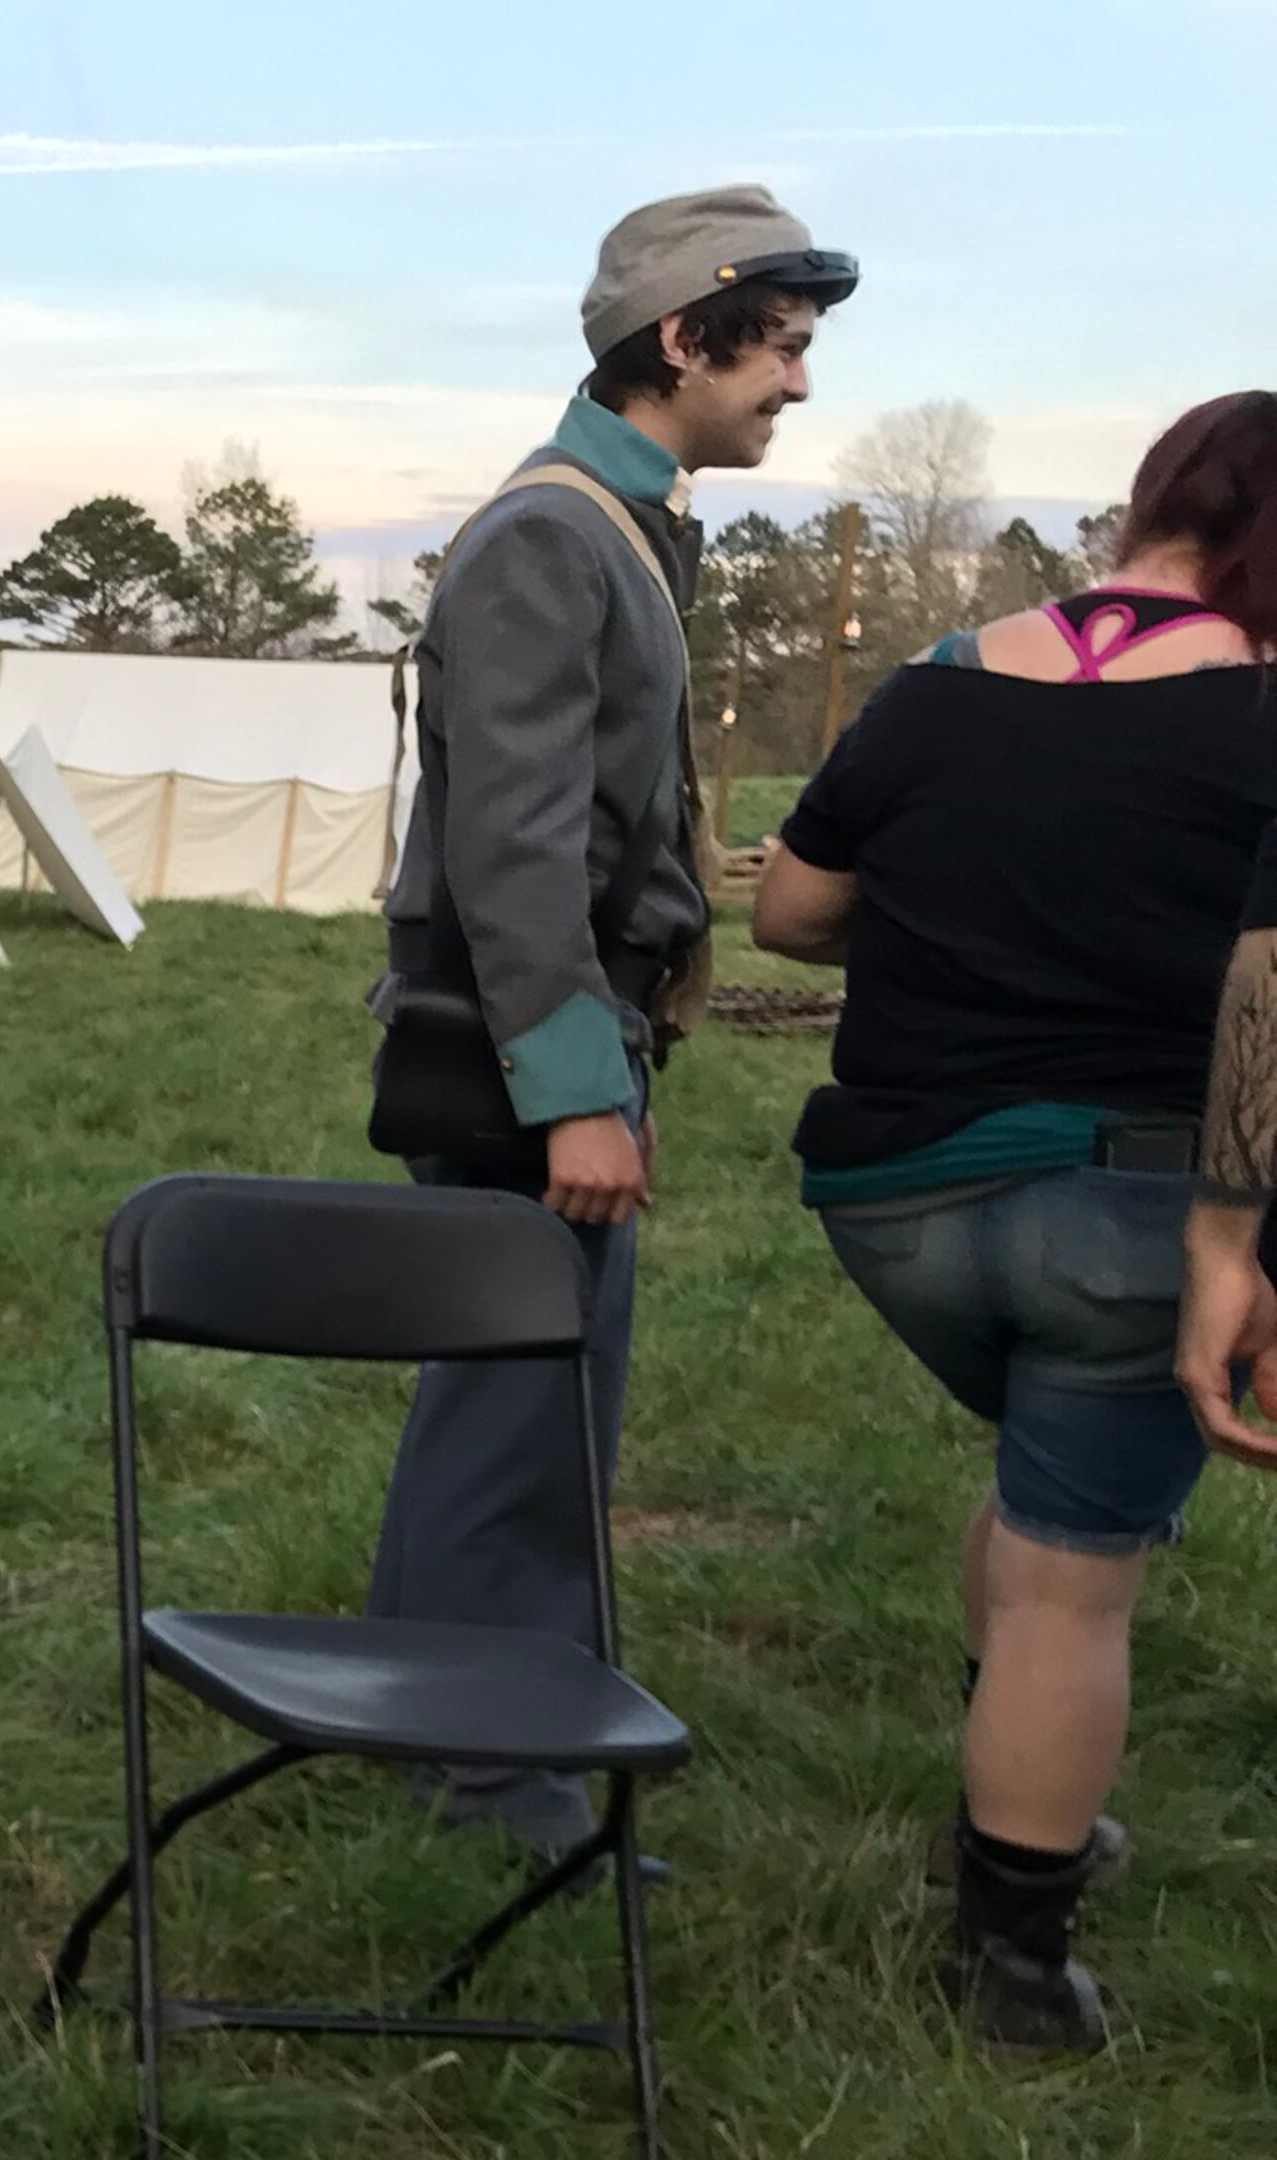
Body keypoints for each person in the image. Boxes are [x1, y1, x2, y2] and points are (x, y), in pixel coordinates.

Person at [755, 389, 1277, 2053]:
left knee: (1038, 1493)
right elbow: (1271, 993)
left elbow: (791, 907)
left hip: (893, 1201)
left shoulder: (936, 687)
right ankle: (1015, 1973)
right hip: (1122, 1215)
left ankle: (1013, 1784)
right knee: (1076, 1583)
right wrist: (1228, 1247)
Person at [365, 184, 855, 1859]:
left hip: (559, 1046)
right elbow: (512, 843)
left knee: (510, 1398)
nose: (793, 383)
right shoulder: (550, 535)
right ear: (680, 338)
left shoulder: (620, 529)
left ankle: (436, 1726)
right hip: (524, 1059)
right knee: (528, 1409)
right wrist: (577, 1088)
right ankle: (494, 1777)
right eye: (775, 346)